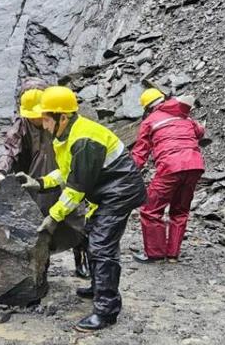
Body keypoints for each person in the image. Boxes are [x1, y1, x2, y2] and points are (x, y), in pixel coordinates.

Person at [15, 86, 146, 332]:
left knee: (101, 246)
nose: (43, 124)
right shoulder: (67, 134)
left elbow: (76, 189)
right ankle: (99, 287)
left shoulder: (84, 140)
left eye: (45, 118)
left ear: (61, 117)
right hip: (106, 191)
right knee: (93, 237)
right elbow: (67, 172)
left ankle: (106, 310)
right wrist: (40, 182)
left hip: (119, 192)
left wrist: (53, 218)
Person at [0, 78, 90, 278]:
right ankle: (41, 266)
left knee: (77, 218)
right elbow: (10, 150)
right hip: (36, 181)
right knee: (40, 223)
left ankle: (82, 258)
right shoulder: (22, 124)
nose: (36, 120)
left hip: (65, 177)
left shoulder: (61, 119)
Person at [130, 88, 205, 264]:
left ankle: (155, 254)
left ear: (147, 108)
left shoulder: (149, 121)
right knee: (180, 210)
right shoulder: (184, 115)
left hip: (170, 166)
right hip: (195, 166)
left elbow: (140, 154)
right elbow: (200, 133)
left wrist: (129, 175)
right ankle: (172, 255)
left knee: (151, 210)